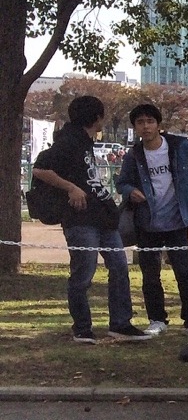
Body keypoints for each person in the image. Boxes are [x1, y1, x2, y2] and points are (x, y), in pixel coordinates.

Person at [32, 96, 152, 343]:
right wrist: (70, 188)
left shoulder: (85, 141)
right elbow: (39, 169)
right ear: (96, 117)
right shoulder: (69, 141)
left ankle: (120, 324)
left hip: (103, 216)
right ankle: (82, 328)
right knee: (83, 273)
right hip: (79, 219)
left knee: (119, 267)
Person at [116, 103, 188, 338]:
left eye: (150, 121)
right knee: (150, 274)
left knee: (184, 272)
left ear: (158, 124)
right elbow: (121, 182)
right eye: (140, 122)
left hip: (177, 221)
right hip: (147, 222)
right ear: (135, 127)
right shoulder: (134, 155)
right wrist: (130, 190)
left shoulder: (180, 146)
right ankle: (156, 319)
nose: (145, 126)